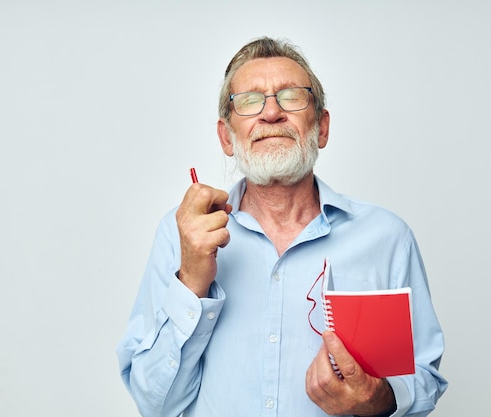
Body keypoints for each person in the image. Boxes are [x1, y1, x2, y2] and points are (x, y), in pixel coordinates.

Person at [117, 36, 447, 417]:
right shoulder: (182, 233)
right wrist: (192, 279)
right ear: (227, 137)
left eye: (291, 97)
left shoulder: (387, 239)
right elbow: (154, 404)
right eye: (249, 101)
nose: (271, 114)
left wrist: (379, 398)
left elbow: (423, 378)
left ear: (322, 128)